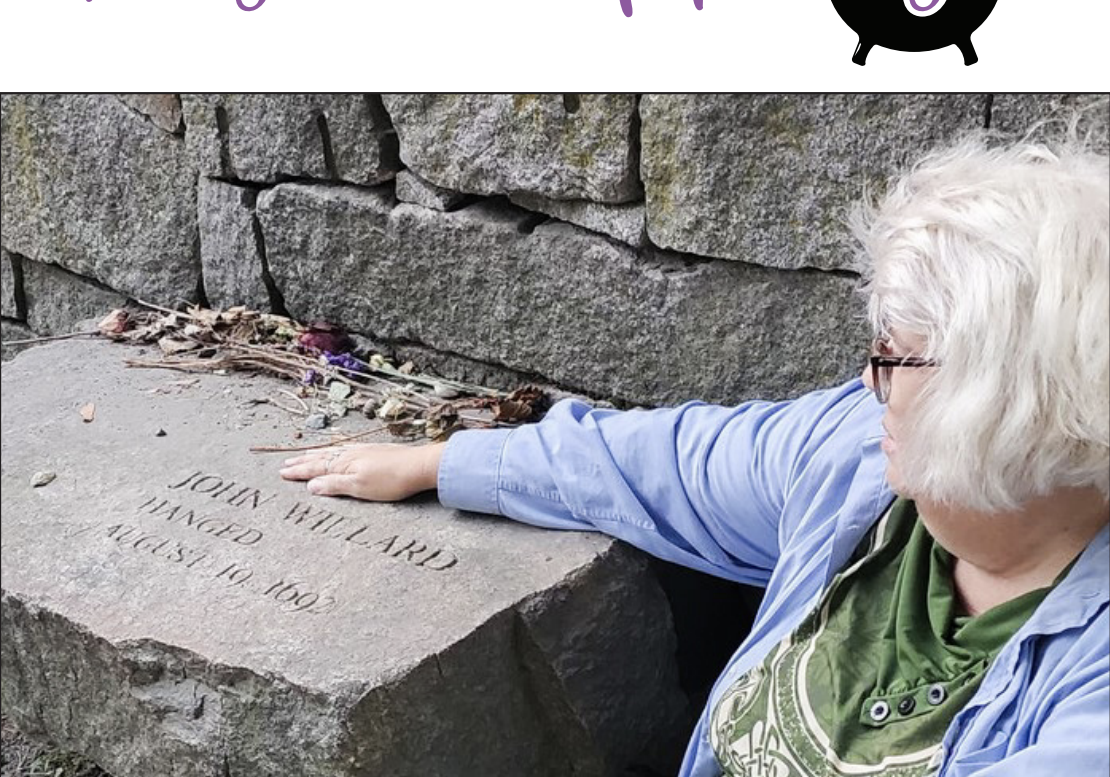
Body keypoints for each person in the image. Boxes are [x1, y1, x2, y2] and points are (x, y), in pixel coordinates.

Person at [278, 136, 1109, 777]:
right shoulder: (855, 455)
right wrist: (448, 463)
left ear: (1012, 402)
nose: (867, 378)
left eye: (895, 355)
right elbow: (671, 461)